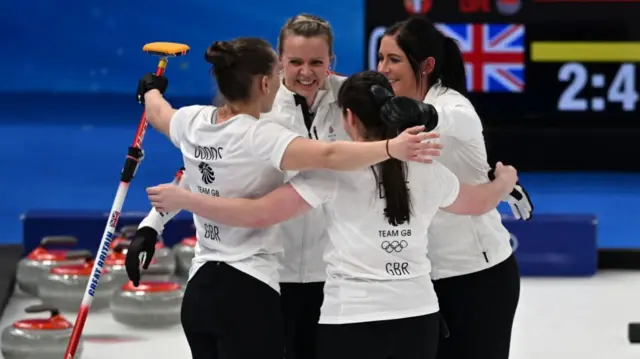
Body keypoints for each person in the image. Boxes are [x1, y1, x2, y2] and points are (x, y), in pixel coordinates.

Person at [144, 70, 520, 359]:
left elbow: (258, 214)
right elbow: (479, 203)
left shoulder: (330, 174)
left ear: (349, 118)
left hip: (351, 319)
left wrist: (187, 200)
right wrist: (505, 181)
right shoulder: (429, 169)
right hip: (418, 317)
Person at [130, 37, 439, 359]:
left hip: (200, 287)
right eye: (280, 73)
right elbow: (331, 154)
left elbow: (158, 113)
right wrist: (392, 148)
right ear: (265, 83)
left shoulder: (191, 121)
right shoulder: (262, 136)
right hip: (248, 289)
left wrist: (150, 89)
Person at [127, 14, 360, 359]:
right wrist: (152, 225)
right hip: (270, 276)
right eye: (295, 62)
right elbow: (202, 170)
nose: (306, 72)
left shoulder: (351, 99)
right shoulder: (257, 109)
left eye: (316, 62)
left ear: (332, 62)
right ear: (279, 64)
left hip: (334, 273)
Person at [376, 16, 534, 359]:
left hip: (477, 277)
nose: (383, 68)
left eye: (394, 59)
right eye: (381, 58)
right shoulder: (391, 107)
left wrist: (504, 182)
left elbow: (437, 117)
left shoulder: (455, 107)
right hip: (421, 277)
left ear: (427, 65)